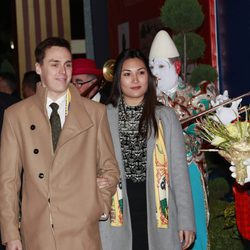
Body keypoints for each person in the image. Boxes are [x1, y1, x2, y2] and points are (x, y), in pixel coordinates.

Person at [0, 37, 119, 250]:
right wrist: (11, 233)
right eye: (54, 64)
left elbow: (110, 168)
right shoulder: (15, 115)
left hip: (81, 229)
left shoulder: (95, 112)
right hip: (39, 228)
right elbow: (8, 180)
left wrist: (98, 204)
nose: (62, 71)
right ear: (39, 68)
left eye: (67, 64)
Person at [99, 48, 195, 250]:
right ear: (118, 79)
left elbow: (179, 173)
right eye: (127, 74)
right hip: (119, 205)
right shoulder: (102, 116)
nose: (135, 79)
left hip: (157, 204)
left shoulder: (165, 116)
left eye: (141, 72)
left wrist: (186, 221)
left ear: (149, 77)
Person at [149, 30, 217, 250]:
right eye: (151, 67)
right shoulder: (144, 100)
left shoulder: (198, 95)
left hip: (188, 169)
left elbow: (204, 136)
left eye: (160, 66)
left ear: (176, 67)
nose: (155, 73)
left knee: (193, 228)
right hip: (155, 174)